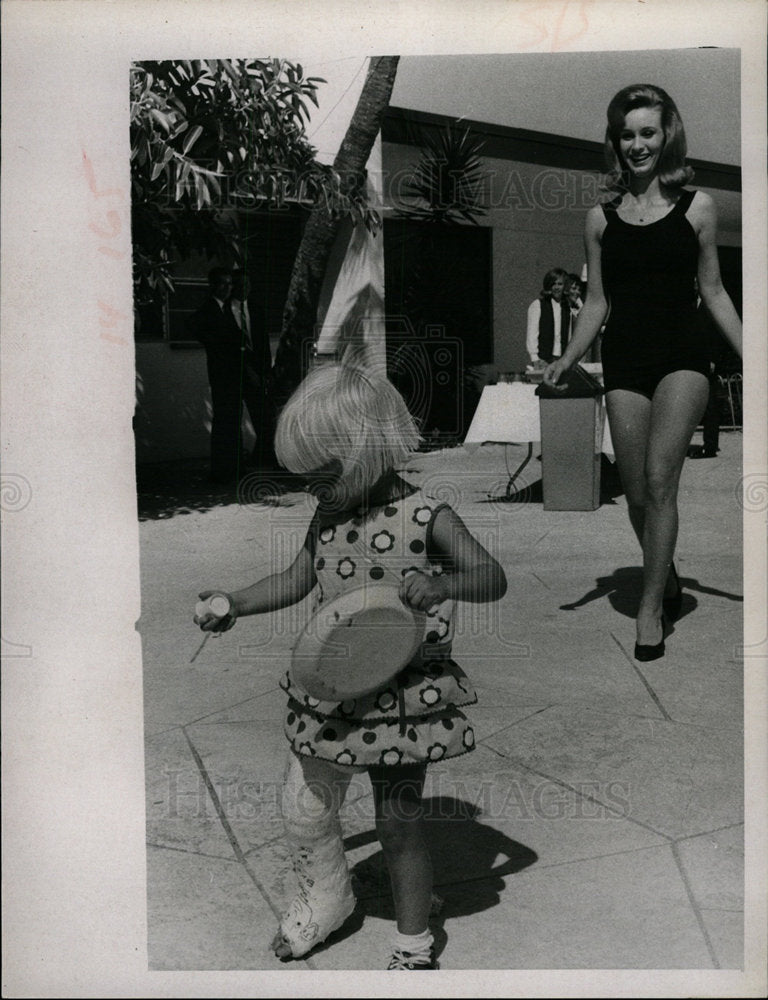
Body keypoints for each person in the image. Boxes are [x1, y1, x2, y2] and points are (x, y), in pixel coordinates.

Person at [194, 360, 507, 969]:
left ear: (366, 452)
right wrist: (235, 602)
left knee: (398, 823)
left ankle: (413, 943)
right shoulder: (329, 516)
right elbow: (292, 580)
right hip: (333, 684)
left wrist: (442, 582)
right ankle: (327, 900)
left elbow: (491, 577)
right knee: (307, 802)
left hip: (400, 695)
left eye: (324, 475)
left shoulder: (428, 516)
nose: (314, 488)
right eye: (306, 478)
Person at [542, 84, 742, 661]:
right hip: (625, 358)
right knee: (633, 491)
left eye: (647, 132)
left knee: (660, 482)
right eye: (626, 134)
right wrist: (567, 358)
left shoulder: (698, 208)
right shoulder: (600, 220)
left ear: (667, 136)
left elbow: (715, 291)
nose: (637, 144)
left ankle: (651, 610)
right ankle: (667, 573)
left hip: (684, 355)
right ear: (615, 141)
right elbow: (598, 304)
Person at [230, 270, 279, 470]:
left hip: (257, 375)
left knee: (263, 418)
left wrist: (265, 372)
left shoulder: (256, 310)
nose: (244, 289)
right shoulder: (224, 310)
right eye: (240, 285)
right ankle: (235, 464)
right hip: (233, 375)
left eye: (247, 285)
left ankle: (264, 460)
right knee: (233, 421)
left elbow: (263, 344)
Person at [525, 267, 571, 367]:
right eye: (553, 284)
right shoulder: (538, 305)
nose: (556, 287)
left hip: (562, 359)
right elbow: (532, 334)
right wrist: (535, 358)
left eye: (560, 284)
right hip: (543, 360)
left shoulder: (568, 307)